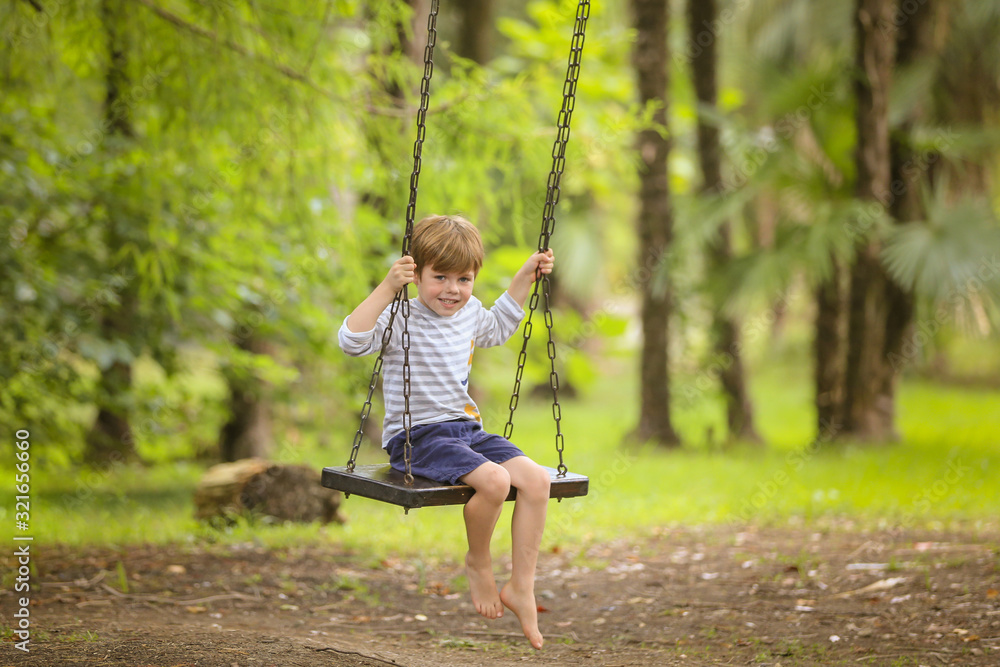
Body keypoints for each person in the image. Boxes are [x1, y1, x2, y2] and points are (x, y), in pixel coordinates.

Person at [338, 214, 554, 650]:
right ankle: (478, 562)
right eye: (439, 277)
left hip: (465, 430)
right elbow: (351, 340)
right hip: (416, 438)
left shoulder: (470, 311)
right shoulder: (400, 313)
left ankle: (522, 586)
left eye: (464, 278)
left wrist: (523, 278)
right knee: (494, 481)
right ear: (415, 274)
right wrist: (387, 287)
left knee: (537, 479)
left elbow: (498, 327)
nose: (452, 289)